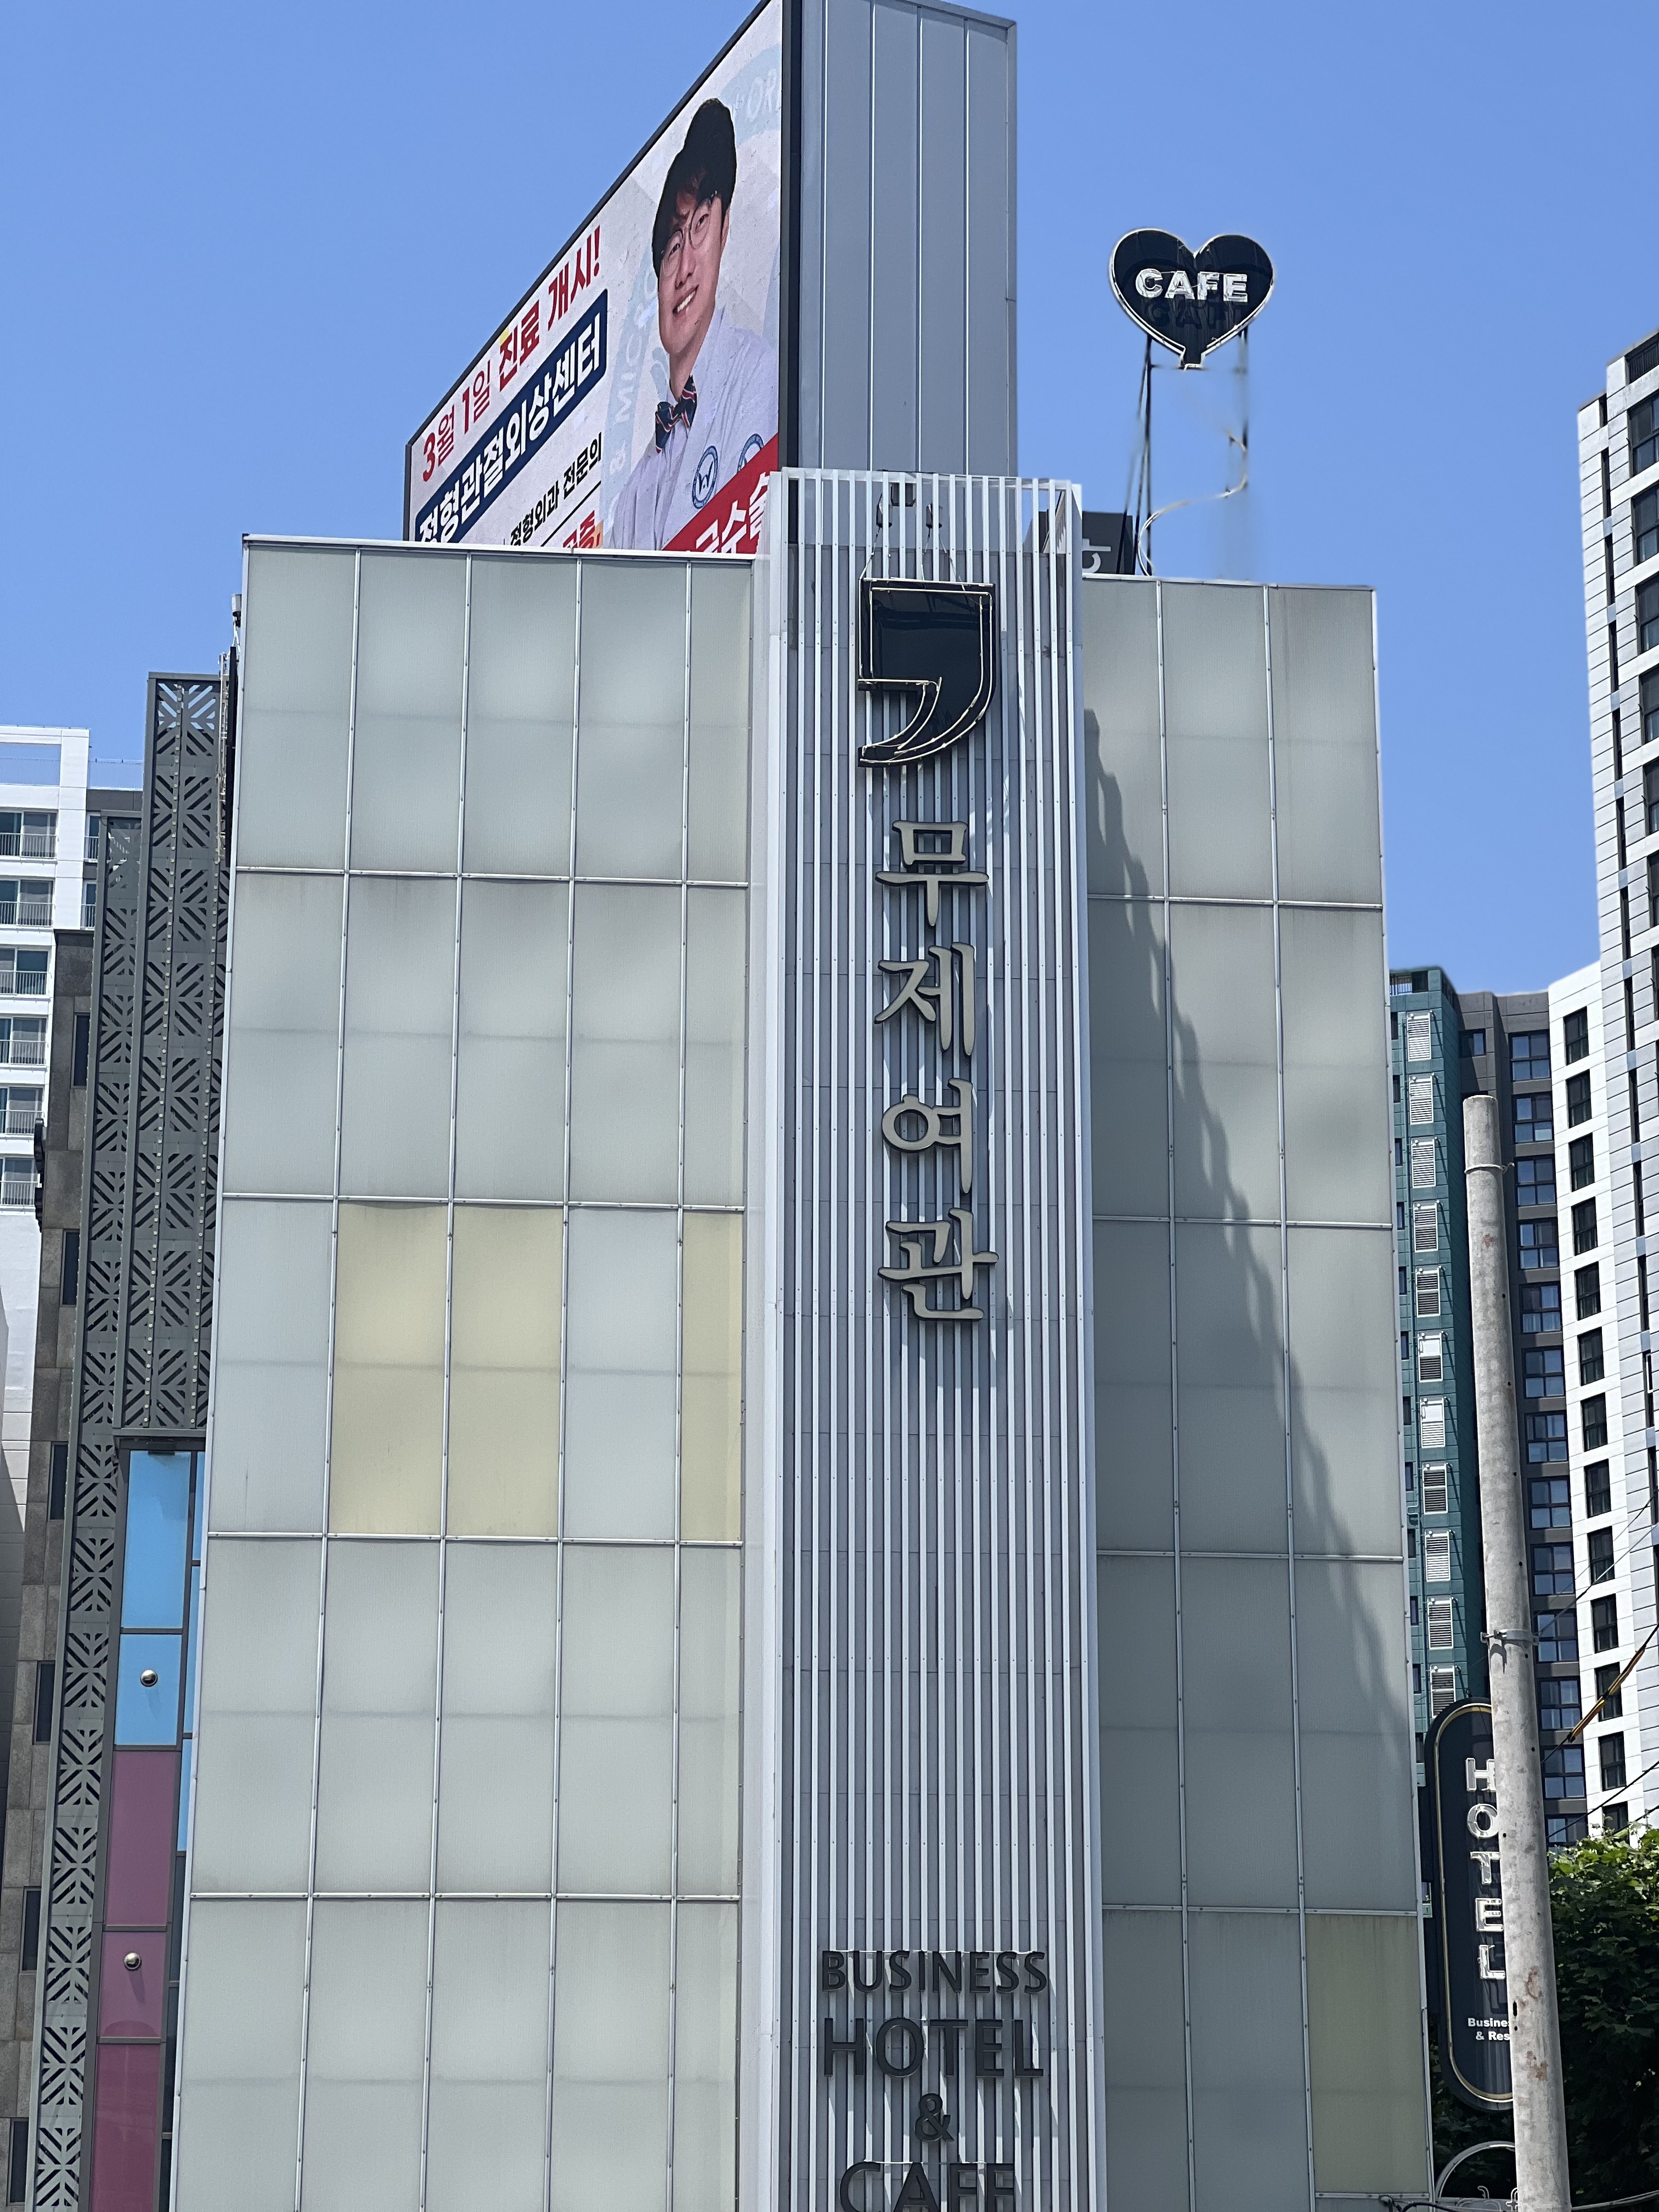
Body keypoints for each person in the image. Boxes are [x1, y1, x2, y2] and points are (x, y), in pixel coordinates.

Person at [608, 99, 777, 551]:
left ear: (724, 231)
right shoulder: (631, 498)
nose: (684, 268)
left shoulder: (758, 376)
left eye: (701, 224)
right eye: (671, 250)